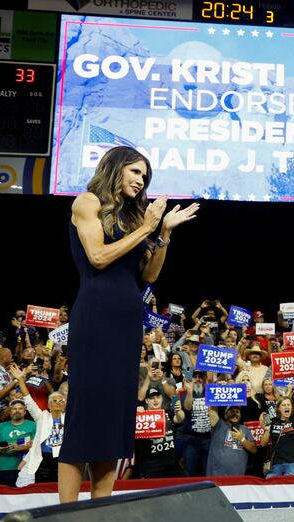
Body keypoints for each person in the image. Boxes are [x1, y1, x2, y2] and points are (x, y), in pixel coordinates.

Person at [60, 146, 199, 502]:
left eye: (145, 177)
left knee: (112, 422)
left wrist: (163, 233)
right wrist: (147, 229)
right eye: (135, 172)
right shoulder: (86, 202)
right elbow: (99, 256)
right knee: (85, 414)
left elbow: (148, 274)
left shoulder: (136, 217)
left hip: (126, 322)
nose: (140, 181)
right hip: (95, 316)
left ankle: (100, 512)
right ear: (116, 168)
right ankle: (67, 517)